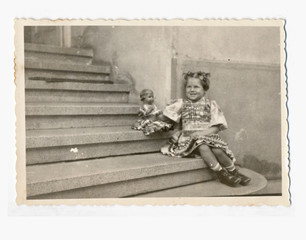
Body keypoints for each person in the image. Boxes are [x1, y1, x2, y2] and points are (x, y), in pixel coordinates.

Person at [160, 71, 251, 187]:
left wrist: (202, 133)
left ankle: (234, 171)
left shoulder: (210, 105)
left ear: (204, 89)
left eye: (196, 87)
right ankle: (221, 173)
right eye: (189, 87)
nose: (192, 90)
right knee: (203, 146)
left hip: (207, 136)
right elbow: (167, 117)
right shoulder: (182, 104)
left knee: (218, 150)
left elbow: (217, 127)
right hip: (188, 140)